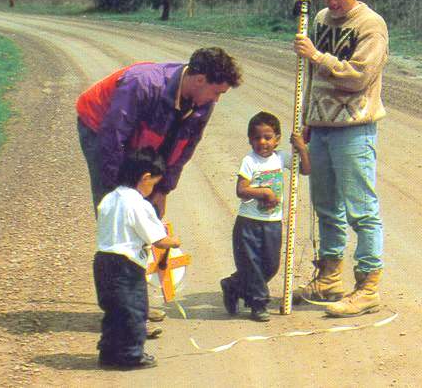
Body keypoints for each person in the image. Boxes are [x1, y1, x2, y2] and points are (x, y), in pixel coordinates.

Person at [292, 0, 388, 318]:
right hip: (322, 129)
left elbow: (358, 76)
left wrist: (317, 56)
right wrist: (306, 120)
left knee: (361, 210)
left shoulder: (371, 25)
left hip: (354, 128)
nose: (332, 2)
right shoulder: (318, 20)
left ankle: (367, 286)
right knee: (326, 206)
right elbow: (313, 81)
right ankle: (330, 277)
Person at [76, 47, 242, 219]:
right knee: (115, 202)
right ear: (200, 80)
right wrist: (119, 190)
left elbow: (183, 149)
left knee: (144, 197)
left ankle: (140, 239)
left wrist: (163, 190)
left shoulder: (203, 103)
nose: (216, 100)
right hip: (98, 124)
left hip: (130, 130)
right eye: (217, 92)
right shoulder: (143, 84)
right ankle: (112, 240)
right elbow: (112, 140)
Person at [94, 148, 181, 370]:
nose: (151, 190)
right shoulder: (137, 204)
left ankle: (108, 352)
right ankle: (132, 354)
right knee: (135, 310)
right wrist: (174, 241)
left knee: (114, 309)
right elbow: (158, 239)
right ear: (145, 178)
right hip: (126, 264)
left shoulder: (109, 198)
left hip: (102, 261)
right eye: (153, 184)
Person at [220, 112, 310, 321]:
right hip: (248, 223)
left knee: (270, 266)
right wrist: (264, 192)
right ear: (250, 140)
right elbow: (241, 190)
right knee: (250, 264)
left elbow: (305, 170)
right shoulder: (249, 161)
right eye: (257, 138)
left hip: (272, 223)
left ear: (277, 138)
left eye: (268, 137)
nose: (262, 142)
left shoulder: (281, 158)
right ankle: (258, 304)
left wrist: (302, 148)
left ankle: (232, 285)